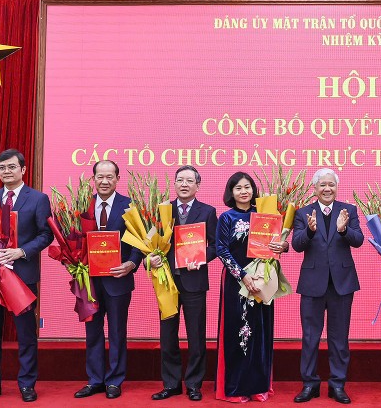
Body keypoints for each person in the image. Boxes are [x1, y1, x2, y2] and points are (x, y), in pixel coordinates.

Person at [0, 149, 54, 403]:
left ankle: (27, 384)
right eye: (2, 168)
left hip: (22, 276)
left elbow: (46, 234)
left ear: (23, 170)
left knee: (26, 334)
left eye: (11, 167)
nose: (6, 171)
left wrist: (21, 251)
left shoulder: (38, 199)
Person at [291, 169, 364, 404]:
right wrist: (310, 231)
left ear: (337, 187)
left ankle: (337, 385)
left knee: (339, 338)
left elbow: (359, 240)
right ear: (315, 188)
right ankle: (309, 384)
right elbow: (297, 245)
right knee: (310, 337)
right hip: (312, 284)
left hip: (342, 284)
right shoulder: (303, 213)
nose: (327, 189)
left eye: (331, 184)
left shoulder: (348, 210)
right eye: (322, 184)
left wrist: (344, 229)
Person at [215, 172, 288, 402]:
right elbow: (221, 250)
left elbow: (277, 245)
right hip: (236, 282)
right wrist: (243, 275)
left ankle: (258, 385)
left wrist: (283, 245)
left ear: (253, 190)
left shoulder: (265, 215)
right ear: (231, 192)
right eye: (238, 188)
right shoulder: (226, 218)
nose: (243, 191)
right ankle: (236, 388)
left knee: (260, 332)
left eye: (247, 187)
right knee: (238, 333)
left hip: (262, 280)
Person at [74, 160, 142, 399]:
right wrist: (75, 263)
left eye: (109, 177)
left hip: (118, 280)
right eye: (100, 177)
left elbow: (139, 241)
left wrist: (131, 264)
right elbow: (73, 238)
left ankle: (114, 380)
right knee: (92, 331)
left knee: (117, 331)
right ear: (93, 179)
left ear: (117, 179)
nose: (104, 181)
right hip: (89, 282)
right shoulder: (83, 204)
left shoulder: (129, 205)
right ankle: (95, 380)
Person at [149, 165, 217, 402]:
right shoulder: (162, 210)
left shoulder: (208, 211)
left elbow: (216, 245)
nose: (184, 184)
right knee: (167, 335)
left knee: (196, 336)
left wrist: (201, 258)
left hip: (194, 281)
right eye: (180, 180)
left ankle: (194, 384)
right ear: (174, 184)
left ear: (198, 185)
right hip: (167, 280)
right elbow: (151, 243)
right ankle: (171, 384)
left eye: (189, 180)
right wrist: (151, 257)